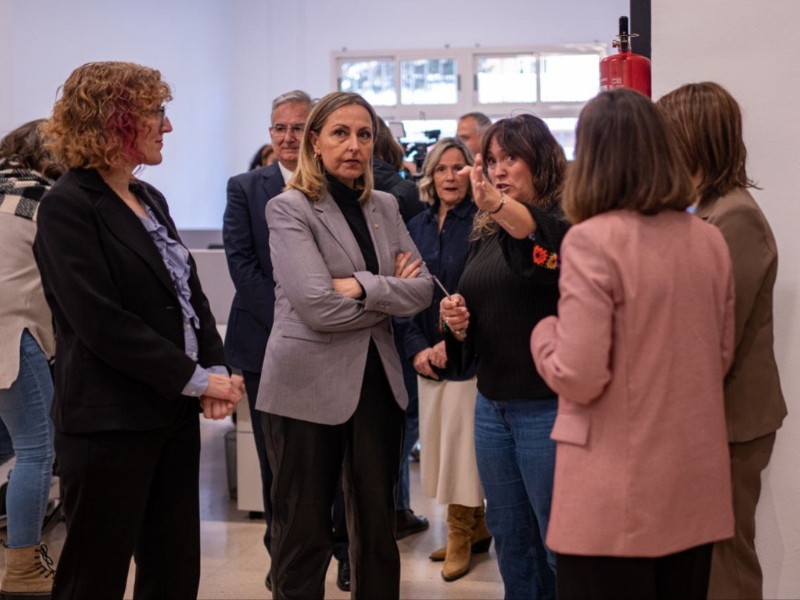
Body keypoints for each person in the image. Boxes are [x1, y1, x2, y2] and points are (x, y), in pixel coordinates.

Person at [33, 61, 243, 599]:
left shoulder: (149, 199)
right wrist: (195, 380)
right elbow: (102, 323)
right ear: (113, 120)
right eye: (156, 113)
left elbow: (189, 296)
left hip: (167, 414)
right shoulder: (67, 207)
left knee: (173, 572)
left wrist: (214, 367)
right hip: (109, 423)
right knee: (92, 578)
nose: (166, 127)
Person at [529, 87, 735, 600]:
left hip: (613, 495)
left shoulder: (593, 239)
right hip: (692, 486)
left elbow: (579, 374)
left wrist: (543, 334)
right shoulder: (708, 238)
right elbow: (721, 356)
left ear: (591, 157)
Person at [257, 91, 433, 600]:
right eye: (340, 133)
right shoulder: (289, 208)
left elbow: (422, 289)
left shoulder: (384, 204)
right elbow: (316, 306)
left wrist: (360, 285)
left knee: (378, 530)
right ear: (315, 141)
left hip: (376, 382)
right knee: (304, 529)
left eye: (363, 134)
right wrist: (386, 288)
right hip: (304, 386)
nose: (353, 145)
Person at [224, 89, 358, 592]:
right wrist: (296, 316)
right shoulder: (245, 187)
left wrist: (321, 313)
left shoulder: (338, 189)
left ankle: (345, 554)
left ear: (315, 135)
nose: (287, 137)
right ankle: (284, 557)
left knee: (339, 460)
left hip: (333, 343)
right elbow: (243, 265)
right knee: (279, 468)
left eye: (298, 128)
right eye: (278, 128)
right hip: (267, 347)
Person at [658, 82, 787, 600]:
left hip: (729, 423)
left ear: (696, 138)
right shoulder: (704, 209)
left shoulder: (735, 218)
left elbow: (712, 340)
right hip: (709, 419)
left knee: (725, 562)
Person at [439, 114, 569, 600]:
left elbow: (541, 263)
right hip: (491, 405)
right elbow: (480, 320)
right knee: (511, 539)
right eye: (491, 160)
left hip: (546, 407)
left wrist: (496, 204)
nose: (498, 169)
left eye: (510, 158)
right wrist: (457, 324)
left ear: (542, 162)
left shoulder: (561, 223)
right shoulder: (485, 231)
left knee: (557, 542)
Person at [402, 137, 490, 582]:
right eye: (442, 168)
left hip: (466, 355)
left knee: (462, 451)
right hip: (425, 356)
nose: (450, 176)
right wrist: (418, 346)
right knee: (439, 446)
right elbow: (403, 291)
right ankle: (476, 527)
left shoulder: (481, 223)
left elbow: (480, 291)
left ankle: (459, 533)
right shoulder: (414, 226)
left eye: (459, 168)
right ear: (430, 176)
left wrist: (447, 342)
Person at [0, 119, 64, 598]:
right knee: (37, 448)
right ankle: (23, 566)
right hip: (14, 333)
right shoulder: (45, 201)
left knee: (2, 445)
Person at [372, 117, 428, 539]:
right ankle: (393, 506)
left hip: (382, 317)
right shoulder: (405, 191)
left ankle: (392, 507)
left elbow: (417, 276)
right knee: (402, 417)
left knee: (393, 420)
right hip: (400, 322)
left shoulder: (395, 194)